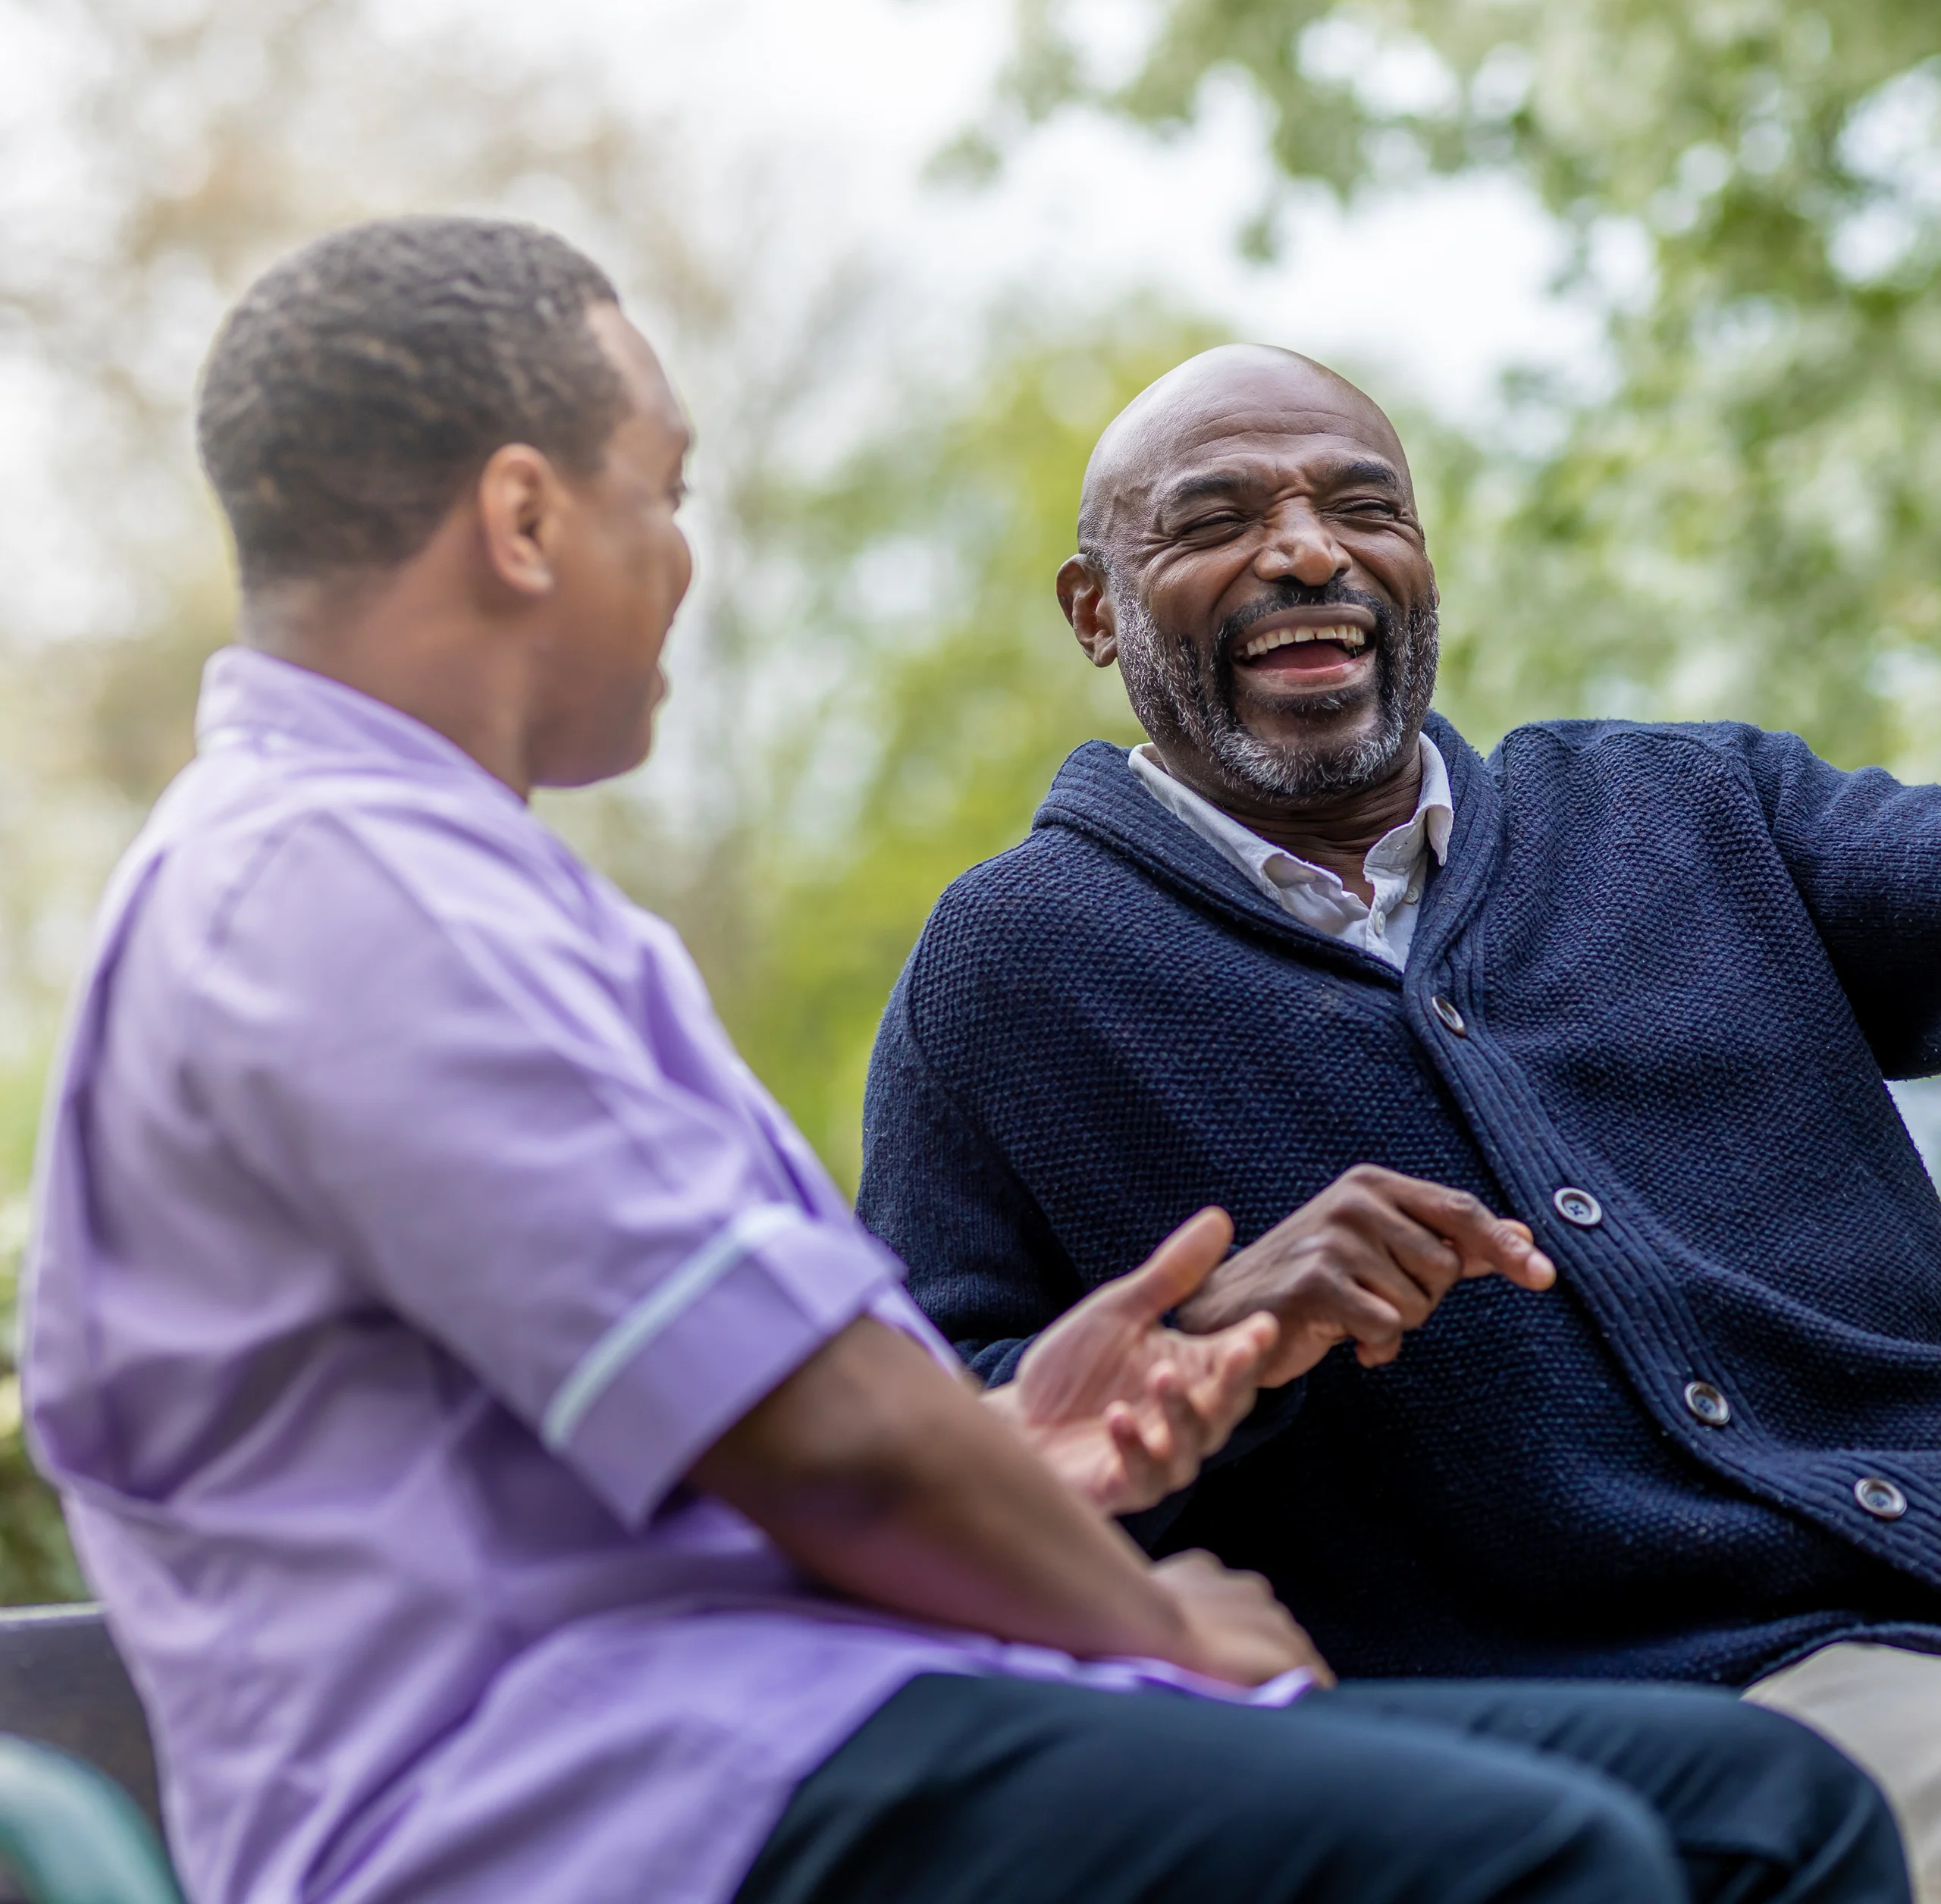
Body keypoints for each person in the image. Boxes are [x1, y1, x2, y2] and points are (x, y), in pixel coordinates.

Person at [24, 221, 1908, 1904]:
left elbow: (823, 1411)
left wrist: (1033, 1436)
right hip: (612, 1788)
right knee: (1551, 1853)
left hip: (796, 1707)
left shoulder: (458, 889)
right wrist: (1139, 1608)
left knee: (1749, 1810)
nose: (683, 561)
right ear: (524, 522)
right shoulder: (341, 893)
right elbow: (827, 1434)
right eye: (662, 493)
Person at [857, 340, 1941, 1899]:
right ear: (1093, 610)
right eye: (1213, 516)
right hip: (1643, 1725)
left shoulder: (1695, 806)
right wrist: (1206, 1329)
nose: (1305, 547)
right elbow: (925, 1445)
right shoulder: (1012, 969)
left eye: (1360, 504)